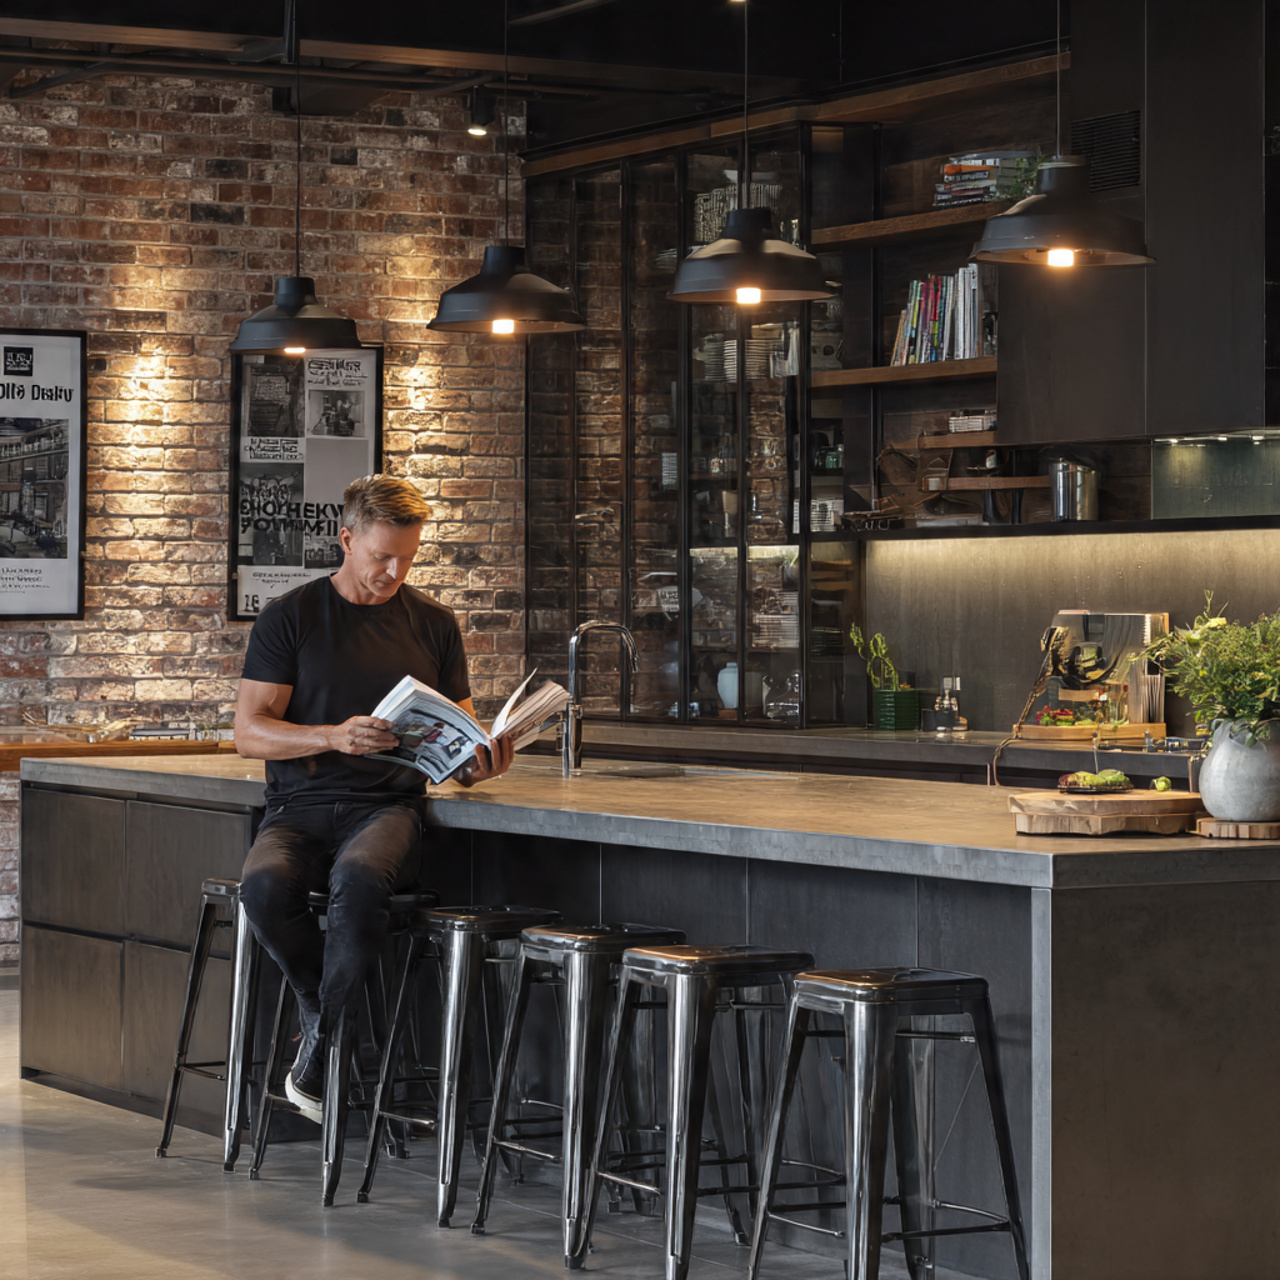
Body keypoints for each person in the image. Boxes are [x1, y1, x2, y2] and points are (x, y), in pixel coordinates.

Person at [234, 474, 514, 1122]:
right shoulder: (291, 617)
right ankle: (325, 1022)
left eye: (407, 559)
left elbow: (459, 744)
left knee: (359, 884)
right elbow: (249, 732)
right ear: (346, 538)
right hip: (298, 806)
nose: (393, 571)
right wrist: (332, 735)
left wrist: (481, 762)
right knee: (263, 889)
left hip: (387, 810)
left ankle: (322, 1042)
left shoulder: (435, 624)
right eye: (381, 556)